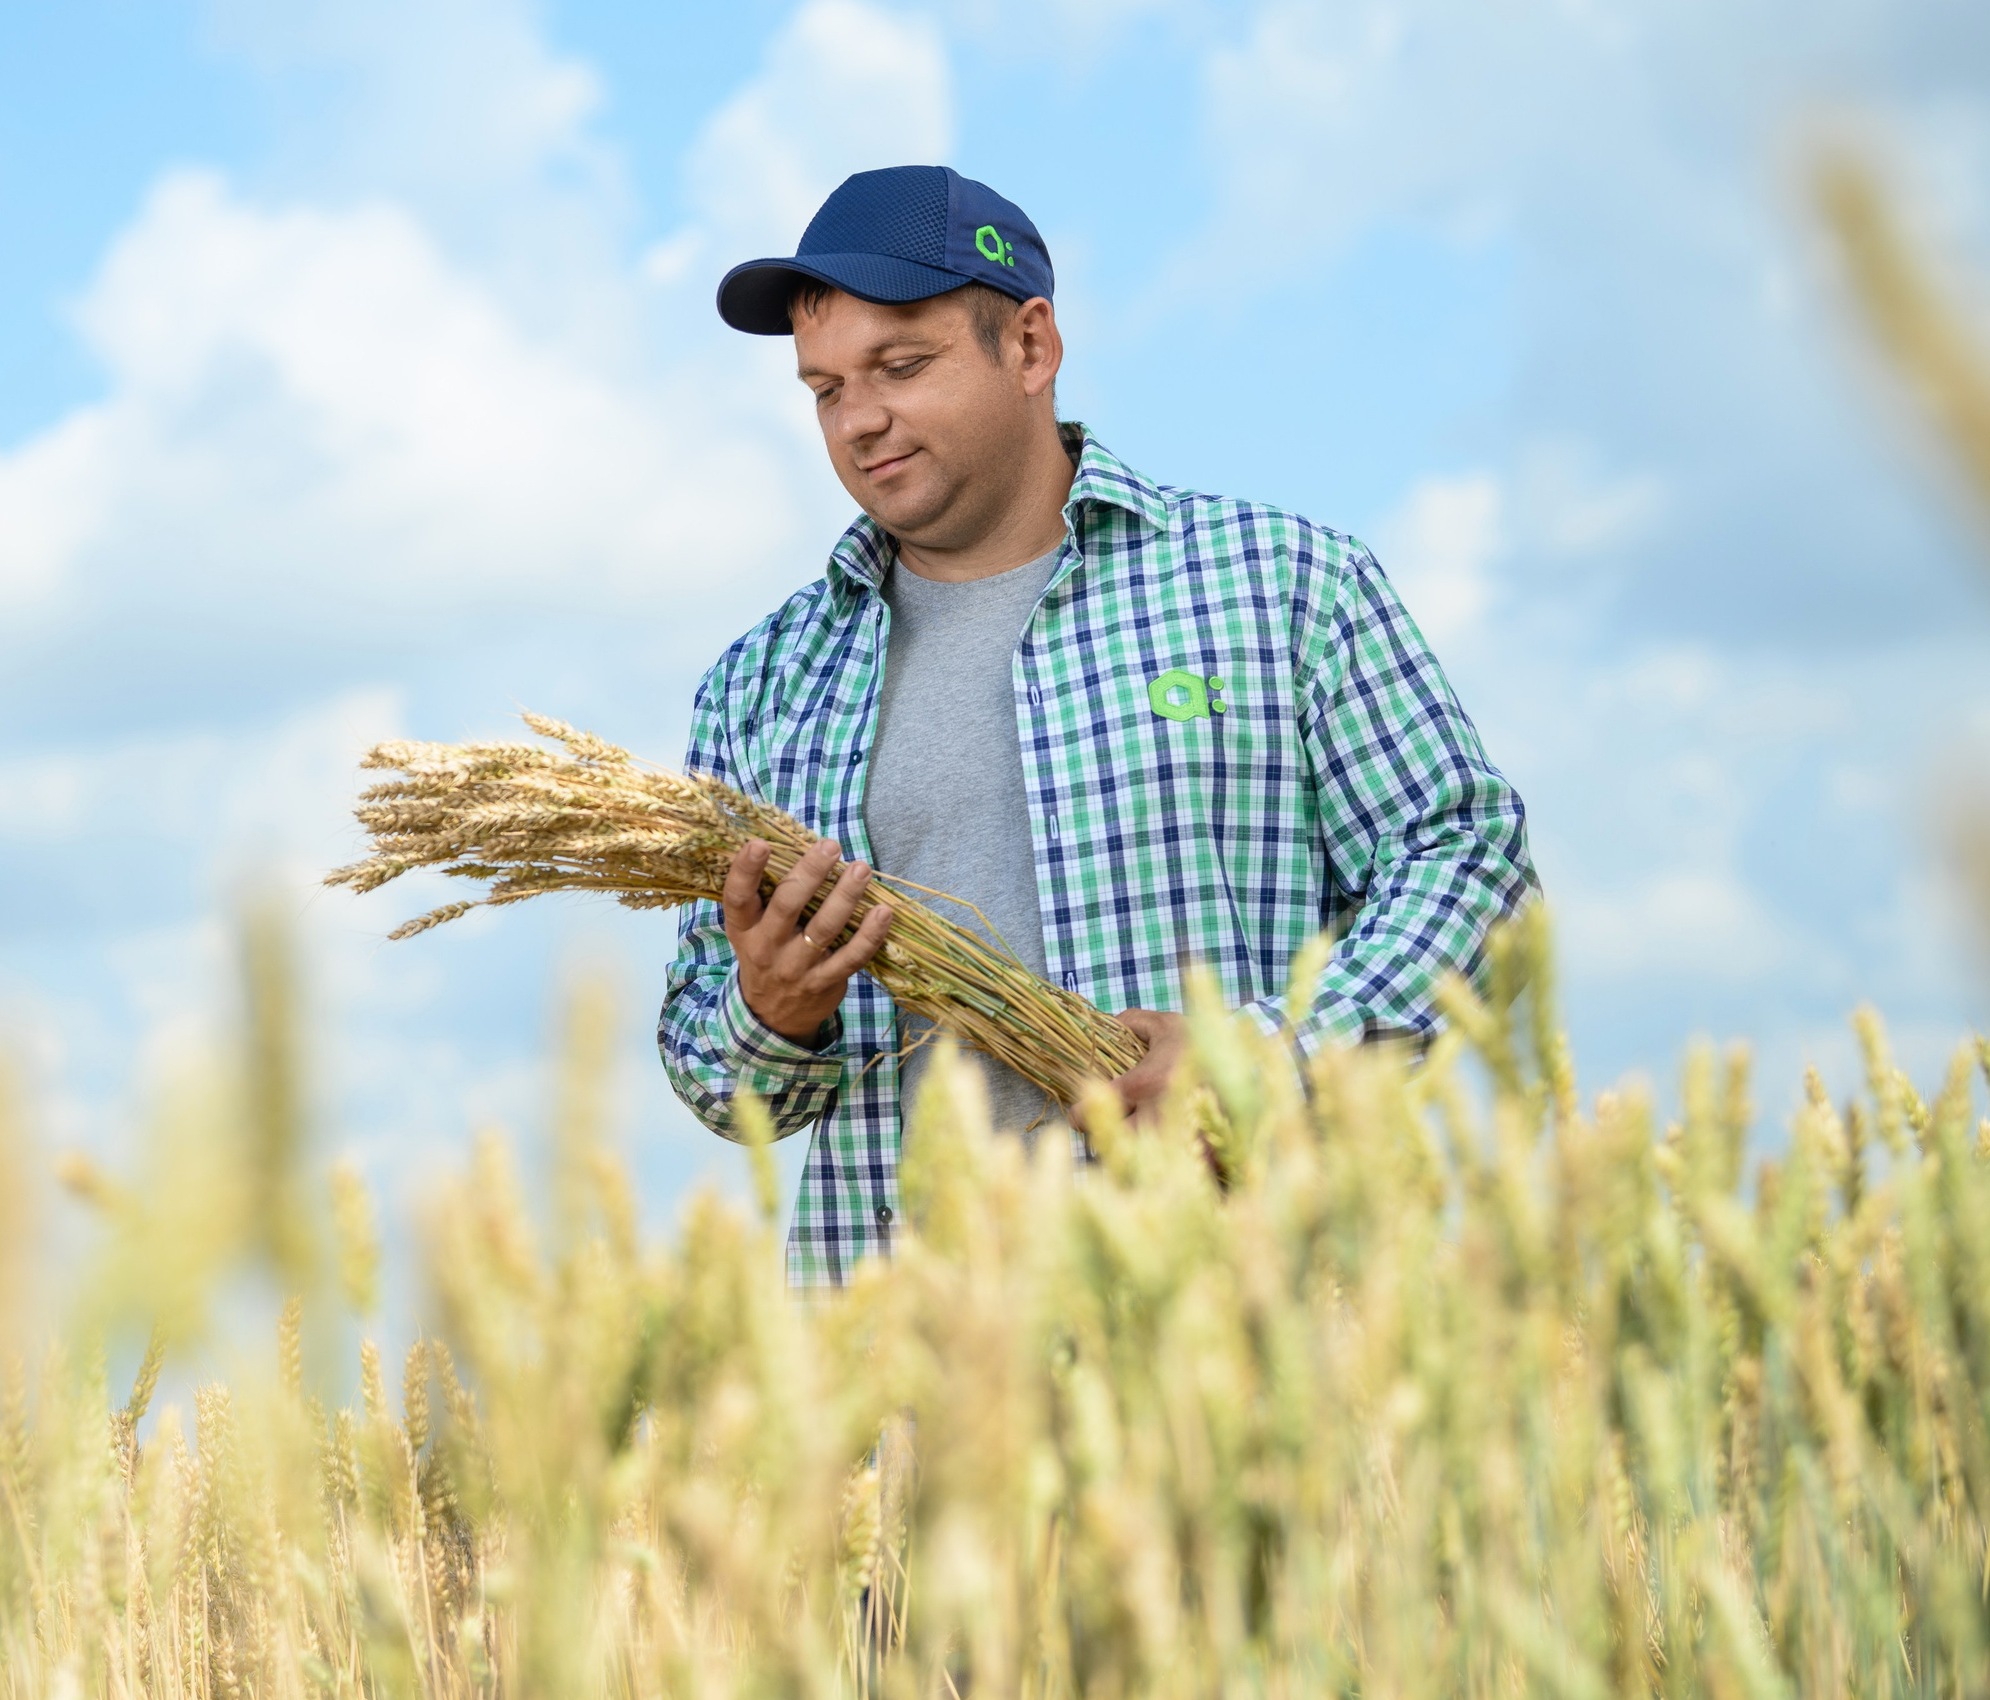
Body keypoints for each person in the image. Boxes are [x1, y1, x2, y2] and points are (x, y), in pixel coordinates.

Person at [658, 166, 1538, 1286]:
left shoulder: (1282, 584)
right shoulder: (762, 686)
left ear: (1030, 347)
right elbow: (712, 1073)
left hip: (1240, 1324)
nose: (859, 418)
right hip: (908, 1343)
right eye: (825, 387)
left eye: (902, 365)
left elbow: (1472, 866)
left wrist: (1269, 1058)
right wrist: (771, 1011)